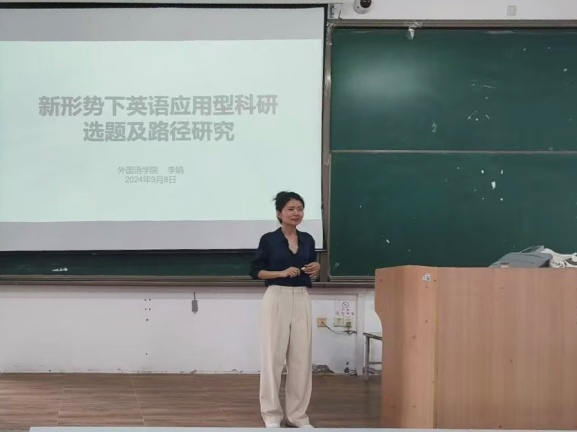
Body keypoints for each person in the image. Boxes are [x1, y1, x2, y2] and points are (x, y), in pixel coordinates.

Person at [249, 191, 320, 429]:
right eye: (291, 209)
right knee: (273, 358)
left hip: (301, 296)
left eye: (300, 208)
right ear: (280, 213)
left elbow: (311, 268)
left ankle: (298, 416)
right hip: (277, 296)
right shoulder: (269, 240)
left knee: (301, 359)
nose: (296, 213)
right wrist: (281, 272)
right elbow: (256, 271)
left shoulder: (308, 239)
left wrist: (315, 267)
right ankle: (271, 415)